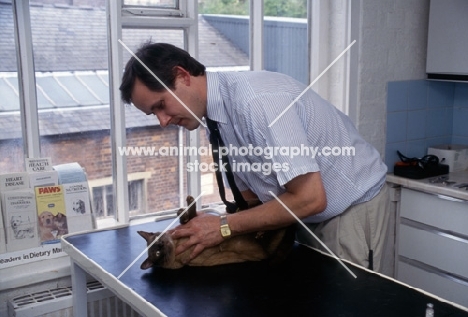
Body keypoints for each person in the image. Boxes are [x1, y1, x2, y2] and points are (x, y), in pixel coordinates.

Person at [120, 42, 394, 275]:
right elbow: (252, 194)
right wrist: (213, 222)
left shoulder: (258, 103)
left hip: (351, 212)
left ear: (182, 76)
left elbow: (310, 198)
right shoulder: (216, 118)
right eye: (153, 114)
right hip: (304, 219)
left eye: (160, 106)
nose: (163, 121)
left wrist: (223, 227)